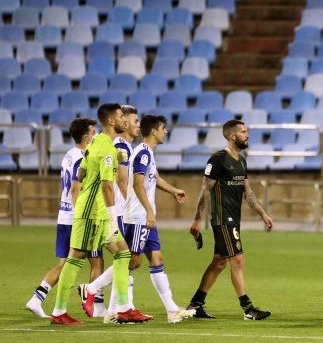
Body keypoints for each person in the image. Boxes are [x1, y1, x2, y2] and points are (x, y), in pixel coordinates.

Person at [82, 115, 196, 323]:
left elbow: (154, 178)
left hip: (144, 217)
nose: (165, 131)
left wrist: (173, 191)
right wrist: (149, 212)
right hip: (137, 217)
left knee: (156, 259)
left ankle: (171, 310)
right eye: (163, 128)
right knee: (131, 262)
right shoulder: (142, 153)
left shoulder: (147, 153)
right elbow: (137, 184)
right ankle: (93, 290)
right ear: (154, 131)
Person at [49, 103, 150, 325]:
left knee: (123, 253)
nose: (126, 120)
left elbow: (81, 171)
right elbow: (106, 186)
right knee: (75, 258)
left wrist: (84, 187)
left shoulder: (97, 142)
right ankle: (58, 313)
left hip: (98, 211)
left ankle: (123, 308)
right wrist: (114, 219)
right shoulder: (105, 147)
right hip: (92, 213)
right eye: (121, 116)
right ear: (111, 121)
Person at [187, 119, 274, 320]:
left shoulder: (241, 161)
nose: (247, 135)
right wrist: (197, 219)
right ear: (232, 136)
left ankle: (195, 305)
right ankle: (248, 308)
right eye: (243, 132)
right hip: (222, 217)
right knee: (237, 259)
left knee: (219, 262)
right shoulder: (218, 159)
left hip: (233, 218)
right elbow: (205, 191)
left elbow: (248, 192)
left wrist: (263, 214)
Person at [77, 105, 149, 321]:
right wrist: (129, 210)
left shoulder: (111, 143)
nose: (133, 124)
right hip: (112, 211)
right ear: (117, 121)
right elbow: (119, 181)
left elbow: (82, 172)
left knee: (125, 257)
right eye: (130, 120)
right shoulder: (116, 146)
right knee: (128, 258)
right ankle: (100, 297)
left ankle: (118, 308)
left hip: (106, 209)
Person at [25, 118, 96, 317]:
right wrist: (80, 215)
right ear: (85, 137)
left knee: (65, 263)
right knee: (88, 261)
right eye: (93, 132)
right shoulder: (82, 157)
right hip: (75, 217)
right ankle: (96, 303)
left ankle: (37, 298)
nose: (95, 136)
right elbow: (75, 189)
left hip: (64, 215)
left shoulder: (68, 155)